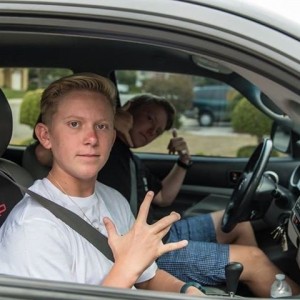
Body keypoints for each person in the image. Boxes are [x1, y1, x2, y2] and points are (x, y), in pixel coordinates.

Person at [31, 93, 300, 297]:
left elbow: (163, 199)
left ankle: (248, 285)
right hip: (141, 248)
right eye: (149, 118)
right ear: (128, 110)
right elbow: (44, 153)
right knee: (253, 259)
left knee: (239, 223)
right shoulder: (98, 151)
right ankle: (256, 278)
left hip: (156, 233)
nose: (151, 131)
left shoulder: (131, 160)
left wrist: (184, 161)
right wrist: (110, 119)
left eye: (158, 130)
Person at [0, 73, 205, 296]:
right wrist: (126, 268)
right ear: (46, 136)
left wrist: (189, 291)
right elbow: (132, 271)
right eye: (75, 124)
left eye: (102, 126)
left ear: (112, 138)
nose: (92, 138)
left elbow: (148, 278)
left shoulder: (114, 199)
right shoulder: (34, 228)